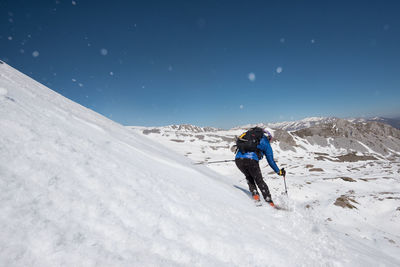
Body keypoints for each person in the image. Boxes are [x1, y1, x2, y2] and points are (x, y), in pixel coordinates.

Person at [235, 128, 285, 207]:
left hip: (238, 160)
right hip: (251, 161)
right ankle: (269, 202)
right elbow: (271, 161)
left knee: (249, 177)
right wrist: (278, 171)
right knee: (259, 180)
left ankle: (255, 196)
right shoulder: (265, 142)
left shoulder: (249, 136)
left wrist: (242, 158)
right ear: (269, 136)